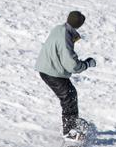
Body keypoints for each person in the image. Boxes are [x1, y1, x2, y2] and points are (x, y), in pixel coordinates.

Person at [35, 10, 97, 138]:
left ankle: (71, 126)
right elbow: (72, 65)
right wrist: (86, 64)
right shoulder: (66, 36)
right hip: (52, 71)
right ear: (80, 24)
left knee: (70, 95)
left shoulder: (59, 28)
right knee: (69, 98)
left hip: (48, 68)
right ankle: (70, 133)